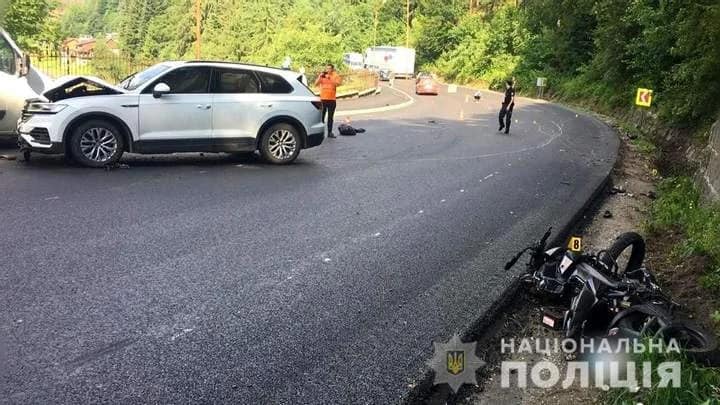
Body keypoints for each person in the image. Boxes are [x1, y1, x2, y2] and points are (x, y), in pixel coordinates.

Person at [315, 64, 342, 138]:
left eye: (329, 68)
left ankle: (329, 132)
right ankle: (321, 133)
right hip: (323, 99)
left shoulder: (335, 75)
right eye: (327, 68)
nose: (328, 70)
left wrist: (330, 78)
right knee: (322, 117)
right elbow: (316, 84)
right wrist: (320, 76)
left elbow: (338, 84)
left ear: (332, 69)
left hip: (332, 99)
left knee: (330, 117)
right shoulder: (323, 76)